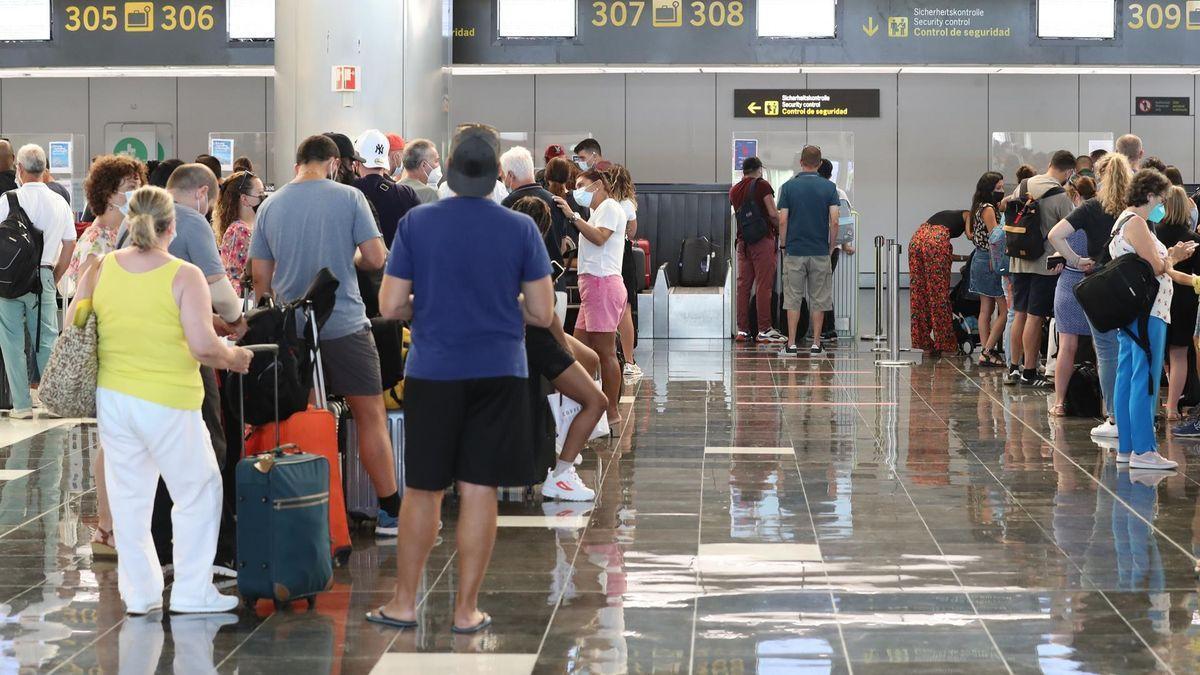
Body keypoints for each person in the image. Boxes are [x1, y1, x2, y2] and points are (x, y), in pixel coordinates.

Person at [373, 123, 555, 633]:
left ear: (448, 172)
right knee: (479, 489)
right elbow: (541, 311)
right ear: (496, 174)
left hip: (433, 369)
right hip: (499, 370)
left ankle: (405, 604)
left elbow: (389, 304)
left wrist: (429, 307)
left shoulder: (417, 222)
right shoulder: (518, 228)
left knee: (424, 489)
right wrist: (502, 306)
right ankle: (465, 610)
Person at [68, 185, 252, 615]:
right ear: (172, 226)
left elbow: (74, 320)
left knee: (130, 498)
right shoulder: (183, 274)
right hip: (170, 401)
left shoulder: (102, 266)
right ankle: (192, 590)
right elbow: (204, 347)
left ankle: (142, 593)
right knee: (199, 489)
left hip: (115, 400)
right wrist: (236, 358)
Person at [249, 134, 401, 536]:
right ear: (334, 162)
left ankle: (315, 511)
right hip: (346, 322)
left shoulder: (270, 205)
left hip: (292, 330)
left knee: (310, 418)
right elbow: (376, 258)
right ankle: (390, 511)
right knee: (371, 416)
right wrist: (339, 257)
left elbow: (260, 279)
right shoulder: (349, 199)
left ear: (297, 162)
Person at [509, 196, 607, 501]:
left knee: (590, 358)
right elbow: (545, 310)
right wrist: (563, 345)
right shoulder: (531, 253)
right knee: (597, 401)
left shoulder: (508, 250)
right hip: (539, 340)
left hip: (534, 335)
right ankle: (562, 474)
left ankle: (564, 437)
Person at [72, 155, 146, 558]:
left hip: (129, 351)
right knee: (111, 443)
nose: (133, 193)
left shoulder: (128, 235)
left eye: (137, 184)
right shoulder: (99, 239)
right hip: (109, 352)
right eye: (126, 187)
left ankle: (119, 524)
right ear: (106, 194)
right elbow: (82, 306)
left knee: (122, 441)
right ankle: (107, 525)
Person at [1107, 170, 1193, 470]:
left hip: (1133, 312)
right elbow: (1157, 267)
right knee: (1145, 380)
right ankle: (1144, 450)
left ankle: (1128, 447)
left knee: (1128, 376)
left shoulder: (1122, 222)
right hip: (1149, 312)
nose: (1163, 205)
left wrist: (1167, 257)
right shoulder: (1138, 223)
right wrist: (1176, 256)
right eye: (1161, 198)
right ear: (1149, 195)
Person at [1047, 152, 1131, 439]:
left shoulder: (1092, 207)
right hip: (1132, 286)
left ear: (1099, 178)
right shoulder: (1135, 209)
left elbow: (1056, 235)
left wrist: (1076, 259)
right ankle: (1136, 411)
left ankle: (1113, 415)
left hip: (1100, 285)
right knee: (1133, 351)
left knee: (1106, 352)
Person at [0, 144, 77, 419]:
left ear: (19, 169)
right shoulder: (60, 203)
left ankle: (21, 405)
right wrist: (53, 276)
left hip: (7, 279)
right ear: (45, 170)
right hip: (42, 275)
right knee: (46, 339)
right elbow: (69, 245)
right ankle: (52, 402)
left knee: (11, 340)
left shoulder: (7, 199)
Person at [553, 165, 627, 426]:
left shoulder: (608, 208)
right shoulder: (596, 212)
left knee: (604, 352)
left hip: (601, 285)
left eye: (582, 185)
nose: (578, 191)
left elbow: (599, 238)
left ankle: (611, 412)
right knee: (580, 348)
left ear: (598, 185)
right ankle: (584, 405)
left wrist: (573, 217)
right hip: (592, 286)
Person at [1005, 150, 1076, 388]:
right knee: (1035, 317)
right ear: (1068, 172)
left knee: (1019, 313)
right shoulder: (1060, 195)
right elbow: (1072, 229)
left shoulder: (1023, 185)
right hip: (1043, 264)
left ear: (1049, 164)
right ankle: (1030, 371)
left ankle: (1014, 367)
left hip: (1018, 260)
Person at [776, 146, 838, 356]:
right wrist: (830, 246)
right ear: (819, 164)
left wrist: (784, 244)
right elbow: (835, 220)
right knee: (819, 298)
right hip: (820, 251)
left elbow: (783, 220)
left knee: (793, 297)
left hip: (795, 250)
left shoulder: (788, 187)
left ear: (801, 162)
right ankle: (816, 344)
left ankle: (791, 344)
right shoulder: (830, 188)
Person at [1045, 176, 1096, 416]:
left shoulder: (1070, 222)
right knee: (1103, 349)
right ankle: (1107, 403)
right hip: (1097, 285)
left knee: (1066, 346)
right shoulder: (1103, 218)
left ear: (1075, 196)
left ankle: (1059, 402)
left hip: (1069, 284)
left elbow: (1058, 242)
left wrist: (1067, 258)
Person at [1154, 186, 1200, 420]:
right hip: (1185, 299)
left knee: (1155, 352)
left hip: (1157, 298)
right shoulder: (1193, 239)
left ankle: (1152, 403)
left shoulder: (1153, 233)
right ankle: (1172, 407)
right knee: (1179, 352)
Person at [730, 156, 784, 344]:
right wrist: (780, 231)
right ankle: (764, 329)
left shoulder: (734, 190)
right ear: (759, 169)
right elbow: (772, 213)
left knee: (743, 286)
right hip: (762, 241)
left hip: (743, 243)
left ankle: (742, 330)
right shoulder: (763, 186)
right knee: (763, 285)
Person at [909, 210, 969, 355]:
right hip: (936, 240)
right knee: (939, 295)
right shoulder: (969, 214)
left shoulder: (947, 216)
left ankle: (924, 343)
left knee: (919, 294)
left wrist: (966, 258)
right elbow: (970, 235)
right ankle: (946, 343)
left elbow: (941, 254)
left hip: (918, 238)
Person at [500, 146, 568, 270]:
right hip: (556, 279)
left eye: (504, 175)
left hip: (525, 282)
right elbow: (563, 247)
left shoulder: (508, 204)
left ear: (510, 175)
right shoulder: (556, 201)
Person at [353, 129, 420, 248]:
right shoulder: (406, 193)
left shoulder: (349, 191)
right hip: (397, 264)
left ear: (357, 160)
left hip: (358, 264)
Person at [968, 172, 1008, 367]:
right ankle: (988, 349)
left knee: (986, 308)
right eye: (998, 188)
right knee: (1006, 309)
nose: (1001, 191)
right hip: (990, 260)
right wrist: (998, 259)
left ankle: (985, 351)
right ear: (989, 189)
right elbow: (995, 237)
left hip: (979, 258)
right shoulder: (989, 208)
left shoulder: (978, 206)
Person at [816, 158, 855, 345]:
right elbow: (845, 222)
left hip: (817, 245)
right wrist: (845, 245)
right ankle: (826, 329)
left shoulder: (816, 191)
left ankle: (828, 329)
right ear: (831, 174)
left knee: (820, 289)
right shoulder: (839, 192)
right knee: (824, 288)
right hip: (833, 247)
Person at [609, 165, 642, 378]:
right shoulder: (628, 204)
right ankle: (629, 360)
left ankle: (609, 356)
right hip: (623, 254)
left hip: (607, 254)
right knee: (626, 307)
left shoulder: (603, 205)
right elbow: (632, 232)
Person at [214, 169, 265, 296]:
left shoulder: (246, 228)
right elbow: (234, 276)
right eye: (260, 193)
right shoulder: (239, 230)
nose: (263, 198)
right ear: (244, 199)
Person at [398, 139, 441, 204]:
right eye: (436, 161)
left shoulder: (394, 189)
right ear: (423, 164)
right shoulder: (430, 194)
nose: (438, 165)